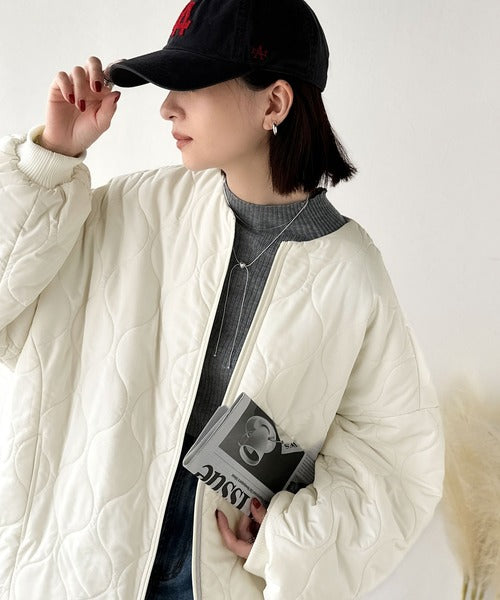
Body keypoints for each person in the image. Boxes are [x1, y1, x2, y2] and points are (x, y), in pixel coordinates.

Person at [0, 0, 445, 598]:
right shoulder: (139, 209)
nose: (166, 106)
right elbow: (13, 311)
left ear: (274, 103)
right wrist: (51, 159)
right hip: (86, 558)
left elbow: (395, 463)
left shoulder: (350, 272)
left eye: (191, 84)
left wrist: (291, 538)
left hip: (217, 573)